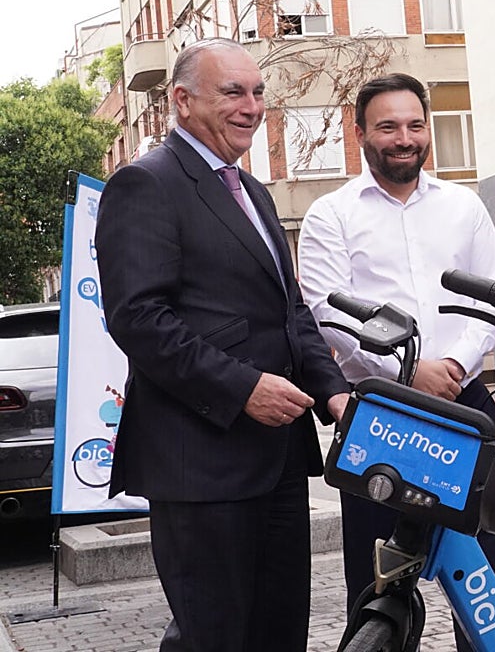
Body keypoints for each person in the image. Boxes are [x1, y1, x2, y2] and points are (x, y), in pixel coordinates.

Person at [94, 38, 351, 652]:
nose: (251, 107)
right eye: (233, 92)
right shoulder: (145, 183)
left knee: (279, 634)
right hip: (202, 465)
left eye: (258, 93)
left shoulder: (252, 190)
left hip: (280, 461)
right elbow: (138, 319)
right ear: (182, 101)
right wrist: (243, 390)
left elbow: (290, 311)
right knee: (213, 638)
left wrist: (335, 393)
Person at [297, 73, 495, 649]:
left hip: (465, 405)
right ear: (360, 132)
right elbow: (327, 313)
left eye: (416, 125)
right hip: (380, 415)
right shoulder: (330, 215)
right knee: (378, 585)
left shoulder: (464, 206)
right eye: (388, 126)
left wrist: (454, 366)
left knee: (484, 578)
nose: (404, 138)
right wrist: (408, 371)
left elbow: (492, 297)